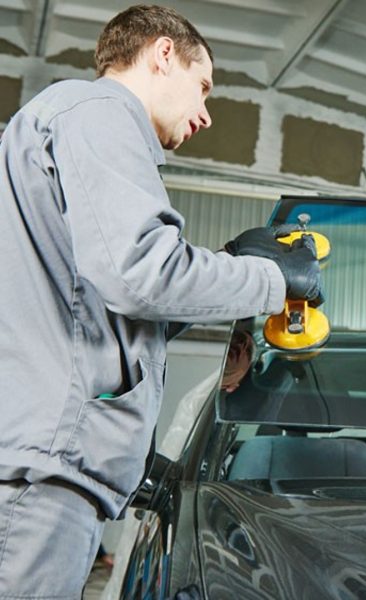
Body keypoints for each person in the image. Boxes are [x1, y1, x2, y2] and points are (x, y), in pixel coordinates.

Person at [0, 5, 321, 596]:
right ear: (162, 52)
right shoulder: (100, 112)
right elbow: (142, 276)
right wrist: (275, 281)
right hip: (44, 479)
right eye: (203, 87)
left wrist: (226, 259)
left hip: (43, 470)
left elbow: (101, 309)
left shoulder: (64, 122)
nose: (204, 113)